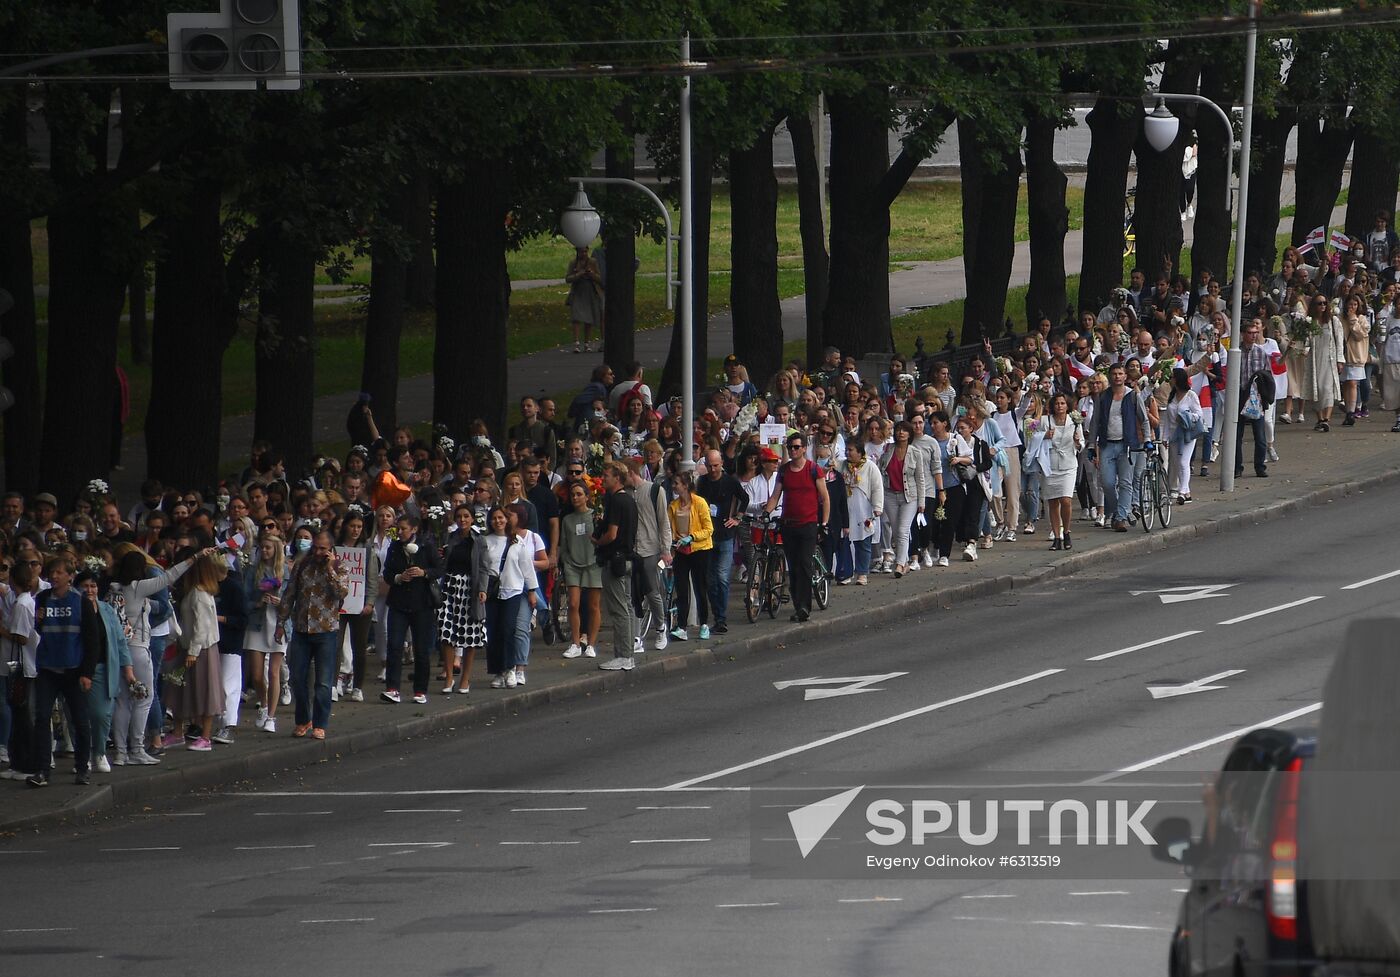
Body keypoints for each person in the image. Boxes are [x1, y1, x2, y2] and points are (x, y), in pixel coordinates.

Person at [25, 555, 102, 786]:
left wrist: (87, 673)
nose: (54, 576)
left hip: (73, 669)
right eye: (52, 573)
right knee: (41, 717)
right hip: (48, 667)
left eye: (60, 573)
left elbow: (92, 640)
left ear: (70, 576)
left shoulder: (81, 602)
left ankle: (82, 767)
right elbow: (41, 628)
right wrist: (38, 621)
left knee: (79, 719)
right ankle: (41, 770)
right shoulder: (43, 598)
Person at [275, 529, 349, 739]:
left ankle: (320, 723)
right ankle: (303, 719)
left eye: (322, 549)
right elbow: (290, 594)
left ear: (331, 549)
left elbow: (341, 593)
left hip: (326, 631)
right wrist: (281, 622)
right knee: (298, 678)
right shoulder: (302, 565)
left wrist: (328, 568)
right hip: (301, 629)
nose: (317, 552)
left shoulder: (338, 566)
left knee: (323, 682)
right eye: (315, 547)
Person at [764, 433, 830, 623]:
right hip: (789, 524)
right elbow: (776, 496)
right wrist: (767, 512)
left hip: (808, 524)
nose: (792, 450)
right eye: (790, 447)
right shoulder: (784, 471)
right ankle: (797, 603)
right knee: (793, 567)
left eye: (796, 447)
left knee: (804, 564)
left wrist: (824, 523)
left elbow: (824, 497)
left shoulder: (813, 469)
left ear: (803, 449)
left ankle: (804, 606)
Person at [381, 514, 443, 705]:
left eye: (403, 529)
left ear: (414, 529)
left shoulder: (426, 545)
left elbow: (440, 568)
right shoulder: (394, 547)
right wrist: (400, 577)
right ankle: (392, 688)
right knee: (395, 645)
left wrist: (424, 573)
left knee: (421, 649)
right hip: (399, 602)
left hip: (421, 603)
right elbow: (388, 573)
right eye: (398, 529)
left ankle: (420, 690)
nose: (400, 532)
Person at [166, 553, 225, 754]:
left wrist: (192, 651)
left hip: (200, 649)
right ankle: (177, 732)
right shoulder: (195, 592)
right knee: (182, 689)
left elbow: (202, 626)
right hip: (191, 647)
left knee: (205, 691)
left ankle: (205, 736)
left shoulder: (199, 594)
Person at [78, 569, 135, 775]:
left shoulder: (107, 610)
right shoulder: (74, 608)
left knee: (101, 714)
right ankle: (82, 757)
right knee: (77, 716)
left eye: (93, 586)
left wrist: (128, 670)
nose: (90, 590)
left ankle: (99, 752)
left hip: (103, 668)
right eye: (85, 586)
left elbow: (120, 641)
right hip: (76, 669)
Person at [479, 506, 537, 687]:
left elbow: (526, 566)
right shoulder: (485, 541)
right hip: (491, 592)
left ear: (507, 520)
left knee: (508, 629)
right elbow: (481, 568)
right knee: (493, 631)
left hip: (513, 589)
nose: (498, 521)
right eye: (494, 518)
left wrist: (532, 590)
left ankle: (511, 668)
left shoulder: (515, 541)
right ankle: (498, 671)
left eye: (501, 518)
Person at [593, 462, 638, 670]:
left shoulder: (617, 502)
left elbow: (612, 534)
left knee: (619, 610)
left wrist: (597, 542)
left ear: (617, 478)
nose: (603, 479)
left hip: (616, 559)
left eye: (606, 475)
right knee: (626, 606)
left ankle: (624, 655)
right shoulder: (629, 500)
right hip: (628, 558)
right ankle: (627, 654)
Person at [245, 533, 290, 732]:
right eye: (262, 547)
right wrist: (257, 602)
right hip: (257, 623)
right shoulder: (253, 570)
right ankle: (263, 704)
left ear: (276, 550)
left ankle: (271, 716)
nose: (264, 551)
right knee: (256, 675)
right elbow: (244, 598)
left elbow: (293, 600)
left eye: (268, 548)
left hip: (278, 624)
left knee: (273, 672)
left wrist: (282, 603)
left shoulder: (286, 572)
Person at [438, 506, 486, 693]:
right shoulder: (450, 538)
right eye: (459, 516)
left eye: (466, 516)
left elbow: (483, 567)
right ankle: (449, 677)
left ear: (472, 519)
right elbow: (442, 561)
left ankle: (465, 678)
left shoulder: (478, 540)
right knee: (446, 631)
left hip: (469, 589)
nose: (462, 519)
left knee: (470, 633)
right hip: (449, 586)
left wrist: (482, 589)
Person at [627, 458, 672, 653]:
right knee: (633, 594)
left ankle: (661, 627)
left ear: (630, 473)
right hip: (632, 550)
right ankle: (636, 636)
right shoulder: (625, 493)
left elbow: (663, 521)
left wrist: (666, 549)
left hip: (650, 549)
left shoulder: (655, 490)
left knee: (652, 591)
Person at [334, 509, 378, 702]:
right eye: (352, 526)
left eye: (359, 526)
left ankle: (358, 686)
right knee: (335, 646)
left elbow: (372, 578)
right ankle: (335, 683)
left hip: (361, 605)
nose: (356, 530)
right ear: (345, 526)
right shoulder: (336, 547)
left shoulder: (367, 549)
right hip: (339, 604)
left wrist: (369, 602)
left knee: (359, 647)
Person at [700, 449, 745, 635]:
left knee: (722, 577)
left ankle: (721, 617)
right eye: (710, 466)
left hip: (725, 534)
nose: (713, 470)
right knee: (710, 580)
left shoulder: (730, 481)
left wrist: (737, 517)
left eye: (716, 466)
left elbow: (744, 498)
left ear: (721, 464)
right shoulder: (702, 482)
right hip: (708, 536)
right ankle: (718, 615)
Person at [666, 472, 714, 642]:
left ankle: (704, 624)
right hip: (681, 550)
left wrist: (692, 537)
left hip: (699, 550)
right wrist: (672, 543)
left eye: (676, 483)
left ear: (685, 486)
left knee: (700, 587)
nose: (674, 486)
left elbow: (709, 529)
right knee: (682, 589)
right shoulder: (673, 506)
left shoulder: (699, 503)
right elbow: (669, 529)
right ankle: (682, 626)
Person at [1095, 363, 1143, 532]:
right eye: (1114, 373)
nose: (1117, 376)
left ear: (1125, 376)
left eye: (1120, 373)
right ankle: (1118, 511)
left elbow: (1143, 419)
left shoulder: (1132, 396)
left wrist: (1148, 439)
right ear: (1109, 376)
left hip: (1127, 444)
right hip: (1107, 444)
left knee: (1125, 482)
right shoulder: (1103, 397)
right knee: (1107, 482)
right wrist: (1093, 445)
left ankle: (1121, 517)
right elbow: (1095, 422)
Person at [877, 421, 926, 578]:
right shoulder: (888, 449)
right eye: (898, 430)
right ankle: (904, 562)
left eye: (905, 430)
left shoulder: (915, 452)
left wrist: (922, 502)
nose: (901, 433)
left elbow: (920, 478)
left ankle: (898, 564)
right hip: (890, 494)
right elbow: (881, 471)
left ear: (910, 434)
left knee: (903, 530)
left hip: (909, 496)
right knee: (896, 529)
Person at [559, 483, 602, 660]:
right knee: (574, 603)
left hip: (592, 564)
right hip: (573, 564)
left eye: (579, 494)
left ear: (587, 496)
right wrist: (564, 561)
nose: (575, 498)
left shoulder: (595, 516)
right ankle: (575, 643)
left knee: (593, 605)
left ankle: (591, 644)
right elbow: (563, 543)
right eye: (572, 494)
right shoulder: (567, 520)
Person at [1040, 393, 1084, 551]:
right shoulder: (1045, 420)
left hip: (1068, 464)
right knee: (1052, 501)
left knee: (1066, 500)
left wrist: (1078, 442)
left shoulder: (1074, 420)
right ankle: (1056, 536)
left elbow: (1081, 444)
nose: (1059, 406)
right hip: (1050, 464)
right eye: (1057, 403)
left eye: (1062, 403)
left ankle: (1066, 531)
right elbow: (1032, 436)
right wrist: (1044, 435)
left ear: (1067, 405)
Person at [1235, 320, 1272, 479]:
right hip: (1240, 395)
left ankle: (1260, 466)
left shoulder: (1261, 352)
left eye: (1255, 333)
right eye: (1250, 333)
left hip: (1255, 397)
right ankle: (1237, 467)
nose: (1253, 336)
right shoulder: (1237, 351)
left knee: (1260, 435)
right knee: (1237, 435)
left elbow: (1268, 374)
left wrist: (1265, 396)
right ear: (1243, 334)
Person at [1164, 367, 1203, 504]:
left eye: (1172, 377)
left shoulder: (1191, 395)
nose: (1170, 380)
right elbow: (1168, 420)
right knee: (1177, 462)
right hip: (1174, 435)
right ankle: (1186, 493)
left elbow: (1199, 414)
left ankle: (1181, 490)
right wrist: (1165, 437)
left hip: (1187, 434)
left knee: (1183, 462)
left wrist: (1187, 416)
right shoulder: (1172, 396)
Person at [565, 246, 604, 354]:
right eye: (582, 252)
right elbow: (568, 278)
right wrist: (579, 274)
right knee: (576, 317)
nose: (584, 254)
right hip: (578, 292)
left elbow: (599, 278)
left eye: (586, 251)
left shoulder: (593, 262)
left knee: (589, 318)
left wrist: (591, 274)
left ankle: (587, 343)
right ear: (577, 252)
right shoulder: (573, 263)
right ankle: (576, 343)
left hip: (590, 292)